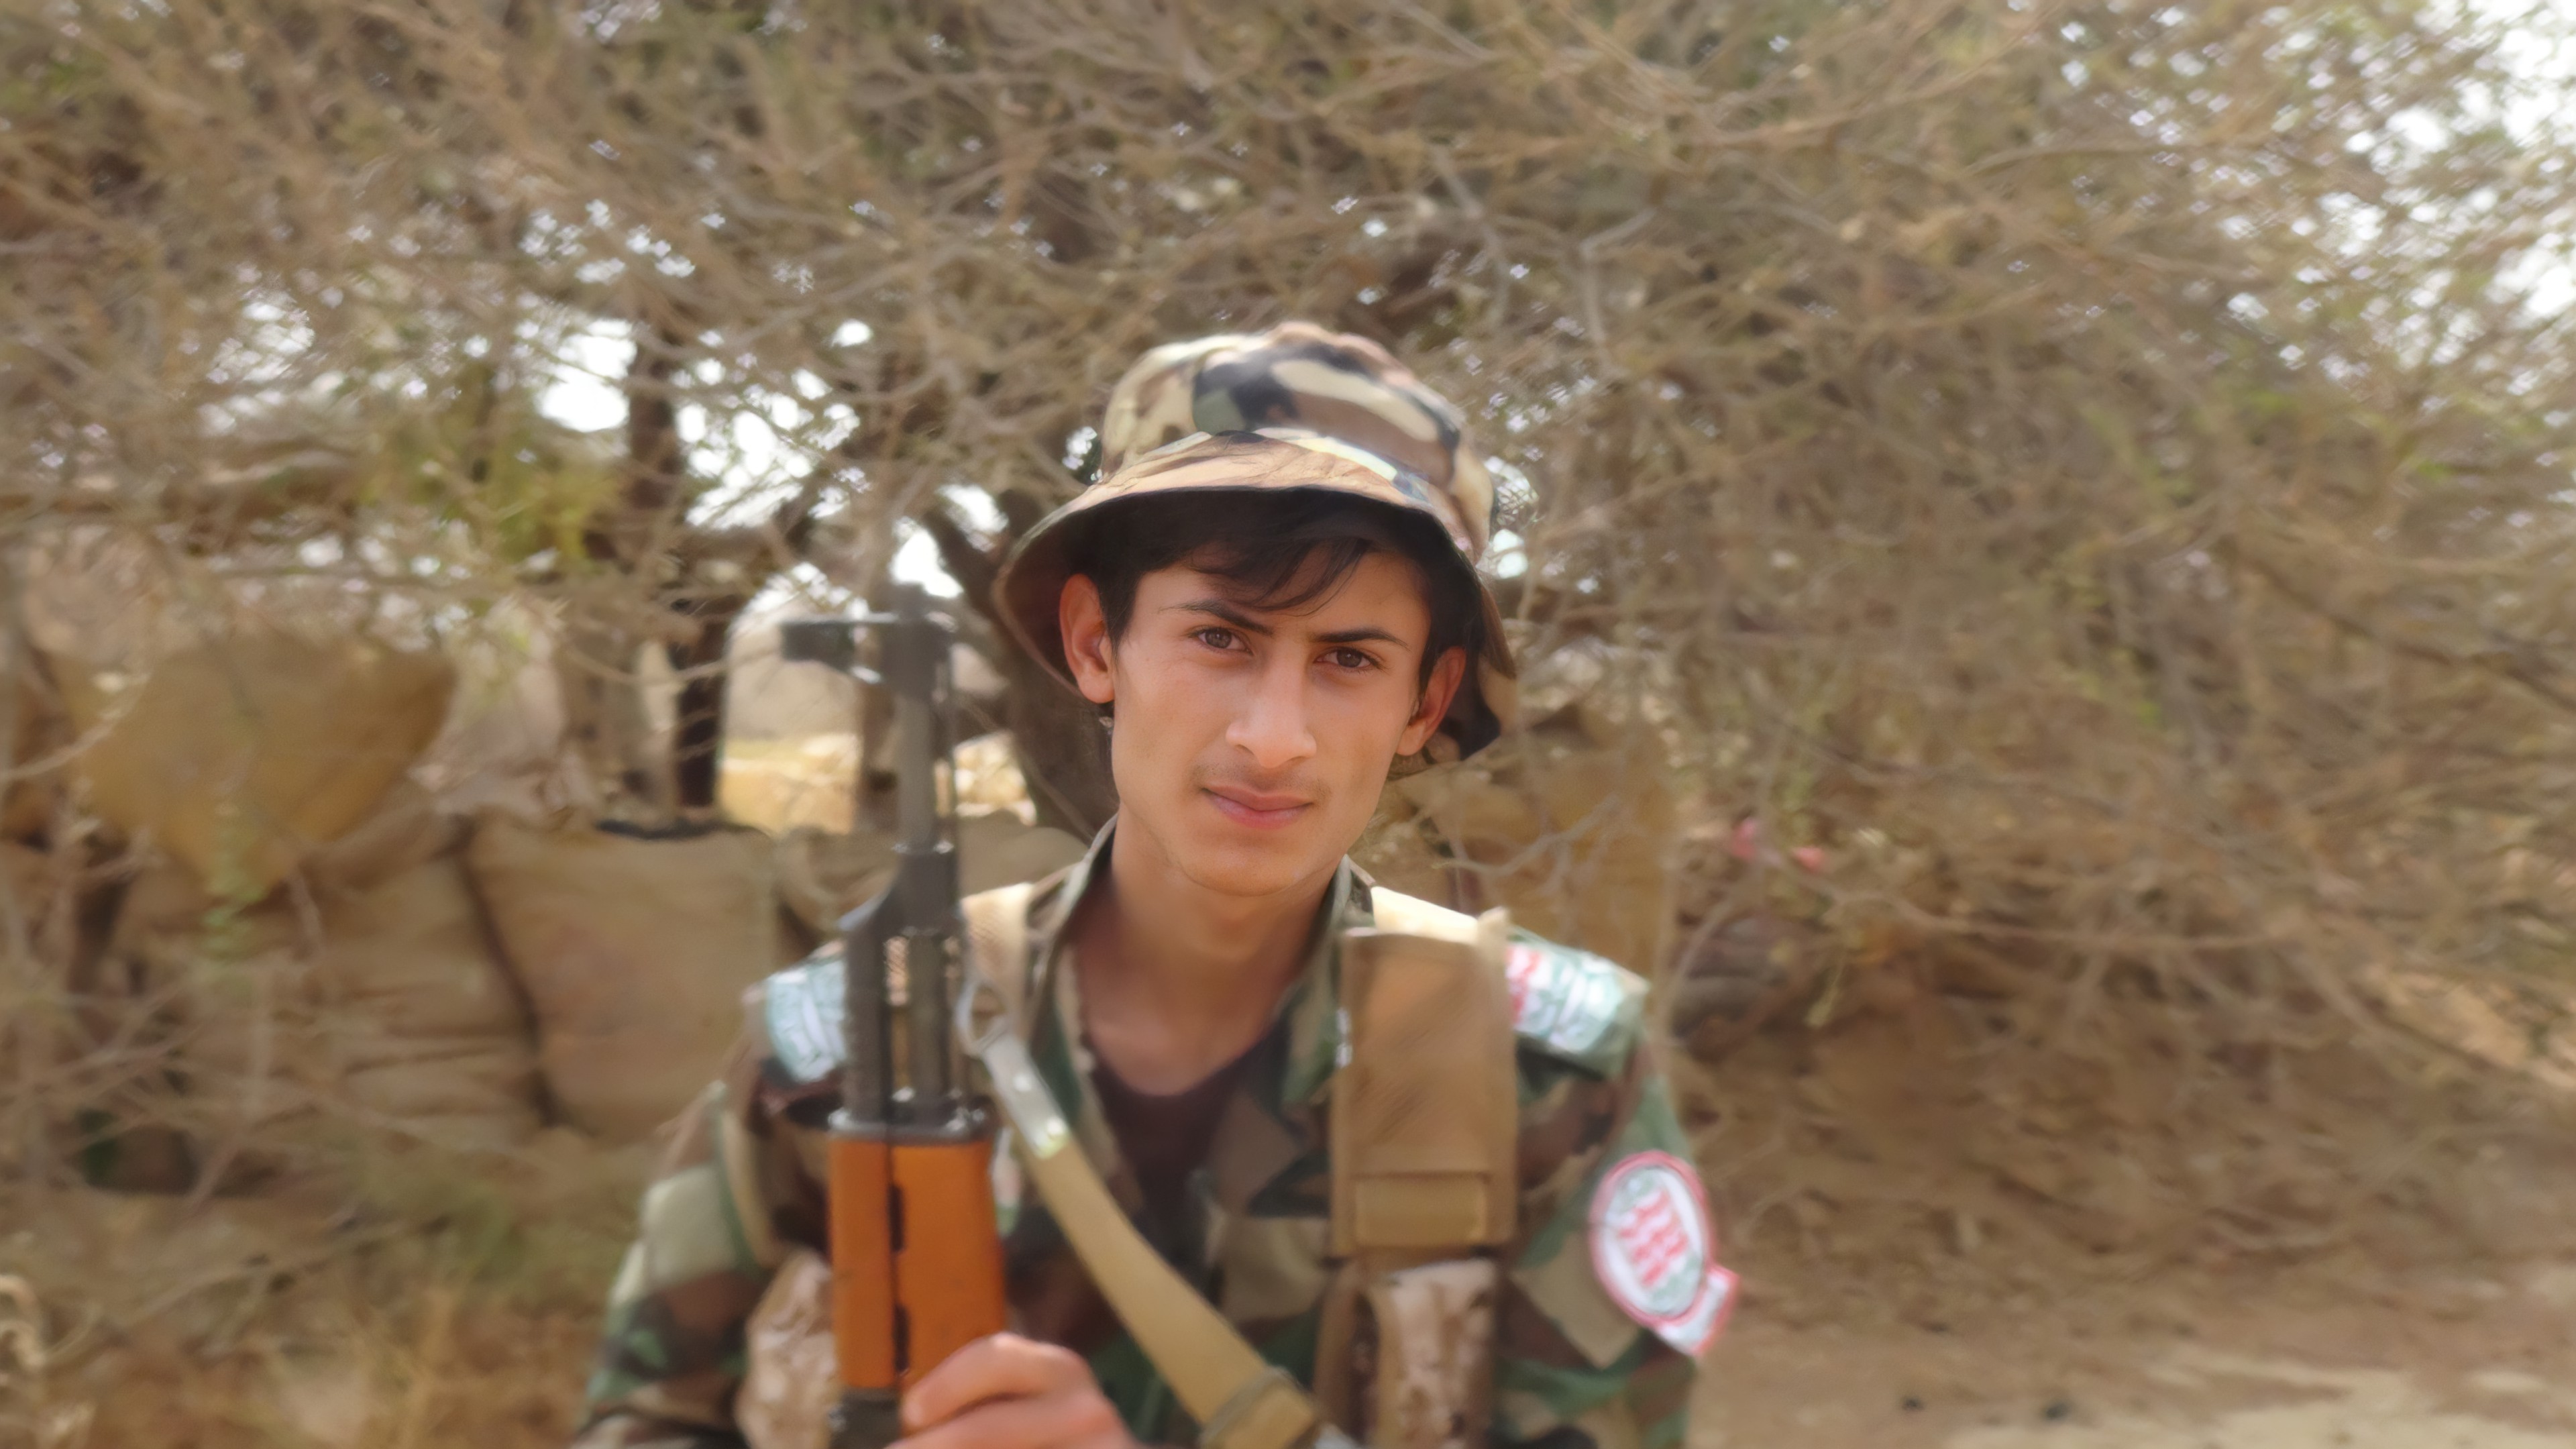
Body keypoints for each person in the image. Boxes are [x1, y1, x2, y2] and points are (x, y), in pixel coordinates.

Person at [571, 323, 1727, 1449]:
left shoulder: (1544, 1076)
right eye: (1221, 639)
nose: (1274, 738)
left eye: (1349, 660)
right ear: (1094, 644)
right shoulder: (853, 1044)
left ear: (1425, 702)